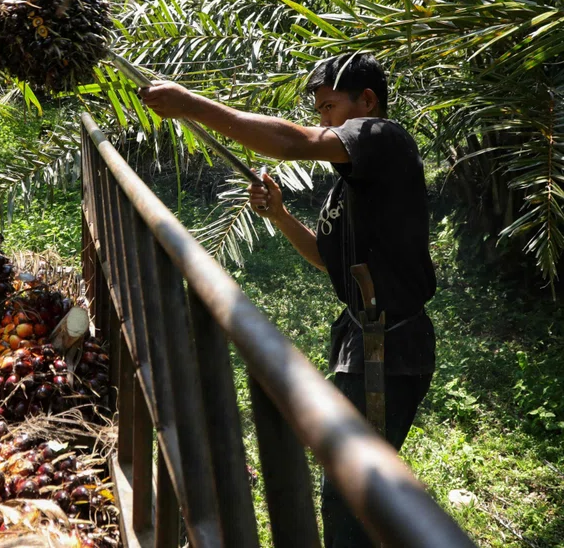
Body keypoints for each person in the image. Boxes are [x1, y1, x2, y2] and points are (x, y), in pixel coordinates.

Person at [138, 53, 436, 548]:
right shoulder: (354, 183)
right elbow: (324, 256)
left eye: (328, 106)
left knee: (352, 490)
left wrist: (191, 104)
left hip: (391, 347)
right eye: (318, 111)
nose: (323, 121)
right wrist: (278, 213)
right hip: (362, 341)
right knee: (348, 487)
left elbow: (290, 143)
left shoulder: (382, 135)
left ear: (367, 100)